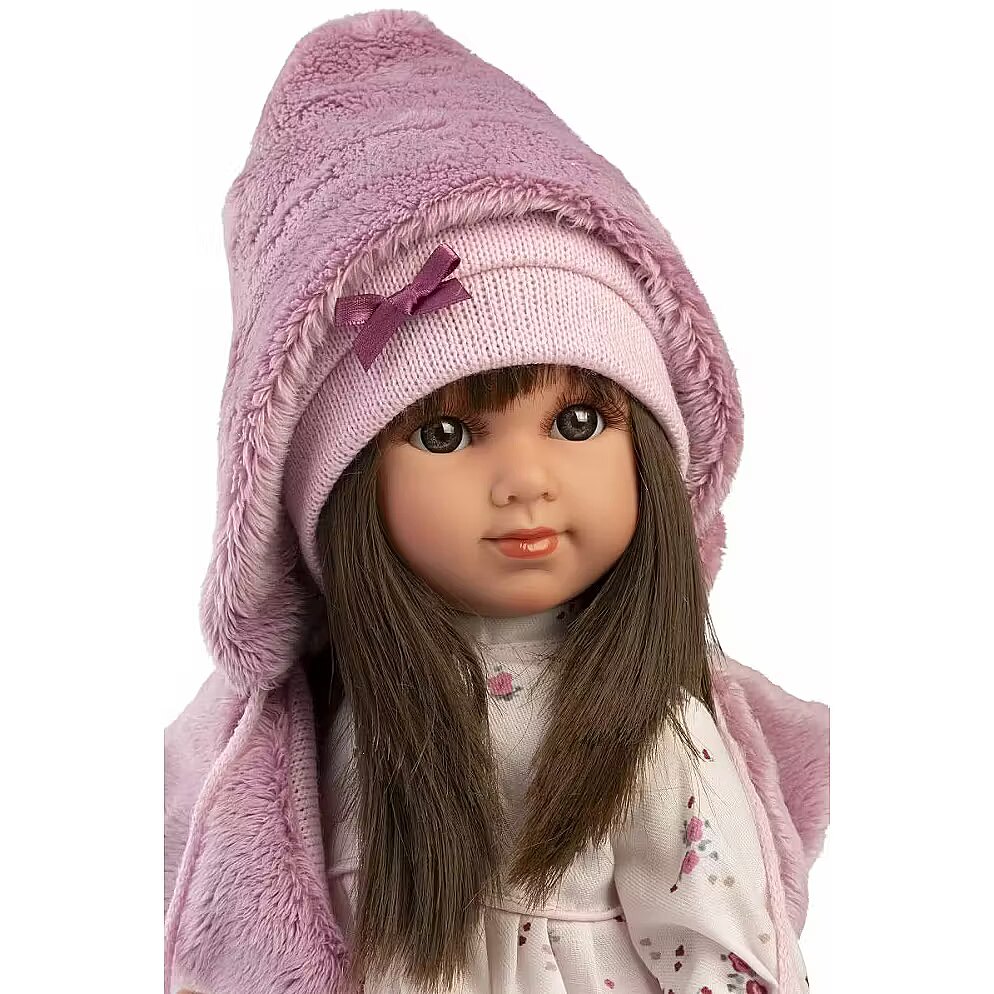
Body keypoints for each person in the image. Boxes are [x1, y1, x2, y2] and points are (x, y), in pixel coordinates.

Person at [164, 10, 829, 994]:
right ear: (339, 491)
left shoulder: (645, 724)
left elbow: (717, 949)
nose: (524, 480)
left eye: (577, 423)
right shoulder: (316, 726)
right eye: (445, 435)